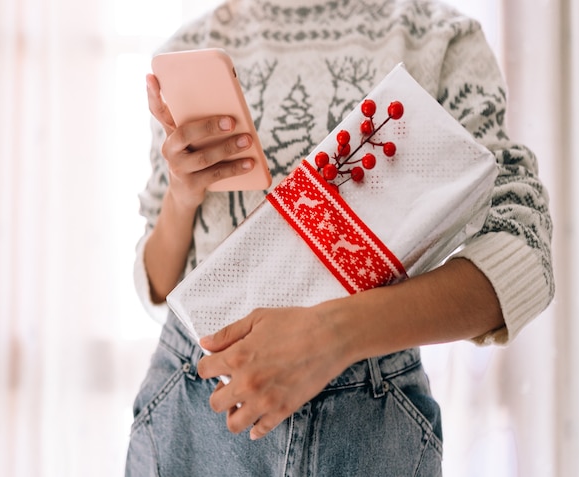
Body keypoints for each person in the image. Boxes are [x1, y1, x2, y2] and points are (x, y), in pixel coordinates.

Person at [125, 0, 554, 475]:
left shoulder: (437, 38)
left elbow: (523, 253)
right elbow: (160, 285)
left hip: (366, 416)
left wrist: (335, 334)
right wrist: (182, 197)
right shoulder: (189, 50)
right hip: (196, 403)